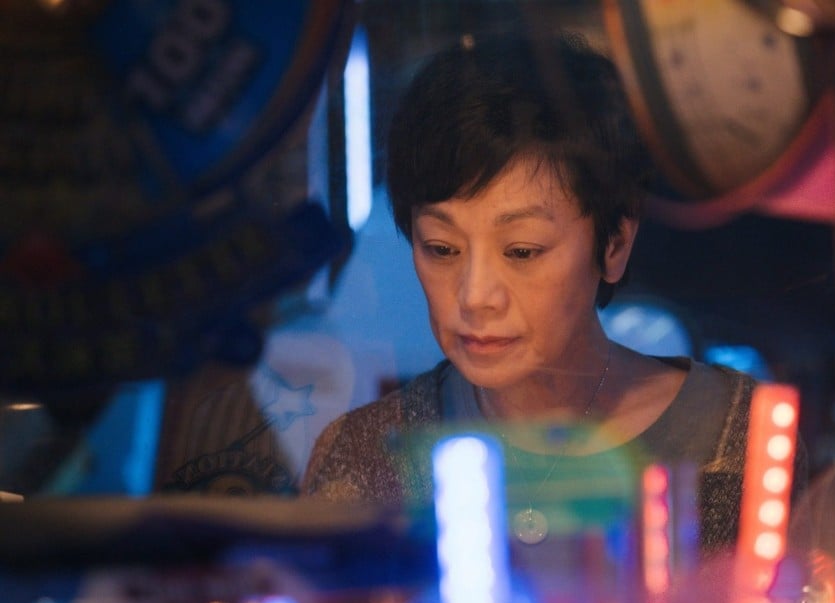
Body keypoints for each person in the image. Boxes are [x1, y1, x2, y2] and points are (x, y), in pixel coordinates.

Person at [302, 30, 806, 552]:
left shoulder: (730, 441)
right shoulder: (367, 459)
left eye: (521, 251)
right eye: (442, 248)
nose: (475, 296)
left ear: (613, 244)